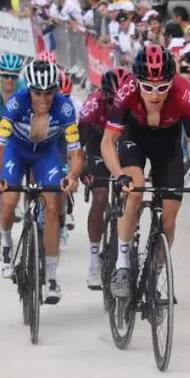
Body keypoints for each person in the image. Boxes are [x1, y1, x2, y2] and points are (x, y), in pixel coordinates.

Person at [100, 44, 190, 299]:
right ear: (137, 82)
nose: (155, 95)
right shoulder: (126, 91)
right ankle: (122, 266)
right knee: (134, 193)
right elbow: (108, 142)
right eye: (147, 87)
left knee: (168, 222)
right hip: (134, 138)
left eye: (162, 87)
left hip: (167, 144)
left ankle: (154, 277)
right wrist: (119, 174)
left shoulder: (184, 95)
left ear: (172, 82)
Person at [0, 60, 82, 305]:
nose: (43, 99)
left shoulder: (64, 108)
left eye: (49, 93)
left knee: (52, 208)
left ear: (55, 90)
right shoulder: (15, 103)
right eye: (37, 93)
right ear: (28, 89)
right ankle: (6, 243)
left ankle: (51, 277)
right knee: (8, 201)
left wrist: (72, 177)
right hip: (16, 151)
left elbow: (75, 151)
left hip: (46, 154)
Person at [78, 68, 128, 290]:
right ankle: (94, 261)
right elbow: (77, 143)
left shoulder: (134, 103)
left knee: (132, 194)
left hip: (123, 143)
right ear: (103, 93)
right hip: (97, 145)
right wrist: (82, 168)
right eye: (111, 100)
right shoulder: (93, 104)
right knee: (100, 195)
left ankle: (128, 249)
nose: (115, 105)